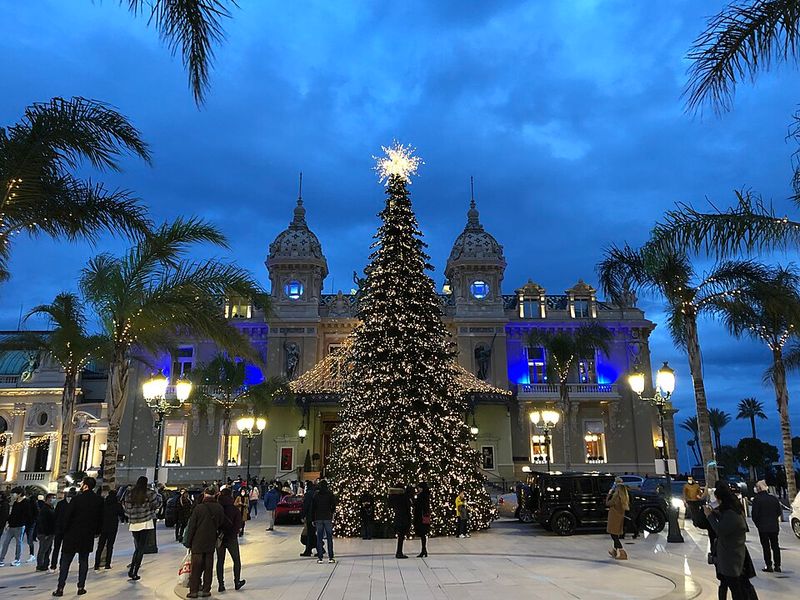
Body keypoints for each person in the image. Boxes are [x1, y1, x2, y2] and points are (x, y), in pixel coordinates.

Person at [703, 481, 759, 600]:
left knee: (736, 588)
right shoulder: (733, 510)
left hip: (731, 557)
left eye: (718, 500)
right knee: (737, 585)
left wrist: (710, 516)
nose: (717, 502)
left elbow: (720, 530)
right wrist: (714, 514)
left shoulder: (731, 514)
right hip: (732, 556)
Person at [52, 476, 103, 597]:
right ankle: (81, 586)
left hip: (72, 534)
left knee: (65, 562)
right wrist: (96, 532)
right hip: (87, 535)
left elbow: (68, 516)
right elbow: (100, 518)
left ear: (85, 486)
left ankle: (60, 588)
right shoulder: (99, 500)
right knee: (83, 561)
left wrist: (64, 530)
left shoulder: (77, 499)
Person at [185, 486, 224, 599]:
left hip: (197, 541)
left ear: (205, 494)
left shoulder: (199, 508)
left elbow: (192, 526)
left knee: (196, 567)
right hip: (211, 540)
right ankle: (206, 590)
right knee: (208, 566)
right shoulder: (219, 508)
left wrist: (188, 542)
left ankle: (194, 590)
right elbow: (221, 523)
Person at [121, 476, 162, 581]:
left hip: (134, 523)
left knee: (137, 547)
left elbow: (126, 508)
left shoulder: (129, 493)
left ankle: (132, 570)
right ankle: (135, 571)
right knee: (141, 548)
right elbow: (157, 504)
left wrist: (131, 515)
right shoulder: (149, 493)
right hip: (145, 521)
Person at [216, 487, 246, 592]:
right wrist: (233, 533)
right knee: (236, 560)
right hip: (231, 538)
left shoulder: (218, 508)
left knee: (220, 561)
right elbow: (238, 524)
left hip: (220, 537)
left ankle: (221, 585)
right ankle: (237, 582)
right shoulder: (234, 509)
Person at [750, 480, 782, 573]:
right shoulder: (773, 498)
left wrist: (758, 524)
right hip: (774, 526)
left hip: (763, 527)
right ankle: (777, 565)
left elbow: (754, 514)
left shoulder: (757, 500)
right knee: (775, 546)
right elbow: (779, 512)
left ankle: (769, 565)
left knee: (766, 547)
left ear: (759, 488)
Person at [0, 486, 30, 566]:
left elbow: (27, 515)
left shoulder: (26, 502)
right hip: (12, 526)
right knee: (6, 543)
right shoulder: (16, 502)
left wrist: (23, 523)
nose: (13, 495)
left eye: (14, 493)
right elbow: (13, 514)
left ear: (19, 494)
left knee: (18, 543)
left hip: (19, 526)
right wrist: (8, 523)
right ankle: (1, 559)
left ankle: (17, 559)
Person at [94, 490, 123, 570]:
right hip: (112, 527)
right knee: (110, 546)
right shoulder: (117, 504)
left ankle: (96, 564)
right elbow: (121, 513)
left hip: (103, 527)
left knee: (100, 546)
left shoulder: (104, 504)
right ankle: (107, 564)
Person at [50, 488, 76, 572]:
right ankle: (54, 565)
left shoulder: (62, 504)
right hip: (63, 530)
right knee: (59, 548)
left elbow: (55, 516)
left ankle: (59, 565)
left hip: (65, 530)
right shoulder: (65, 504)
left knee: (61, 549)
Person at [312, 479, 336, 563]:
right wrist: (331, 512)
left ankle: (320, 557)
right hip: (327, 517)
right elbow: (333, 505)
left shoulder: (316, 495)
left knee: (319, 537)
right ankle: (331, 557)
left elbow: (313, 507)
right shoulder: (330, 494)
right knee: (329, 537)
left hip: (318, 517)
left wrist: (313, 518)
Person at [606, 477, 629, 560]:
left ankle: (622, 552)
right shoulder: (624, 496)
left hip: (614, 517)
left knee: (613, 535)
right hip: (619, 516)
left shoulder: (616, 496)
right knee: (615, 534)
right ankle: (614, 551)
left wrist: (609, 494)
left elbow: (608, 503)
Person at [388, 484, 411, 559]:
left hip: (398, 518)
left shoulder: (394, 497)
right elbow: (408, 505)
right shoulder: (403, 497)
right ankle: (399, 552)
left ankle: (399, 552)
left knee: (400, 536)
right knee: (401, 536)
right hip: (403, 518)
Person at [35, 494, 57, 571]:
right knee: (43, 549)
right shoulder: (45, 509)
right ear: (48, 499)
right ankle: (40, 565)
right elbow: (43, 522)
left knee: (48, 549)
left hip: (50, 532)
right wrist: (46, 533)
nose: (54, 500)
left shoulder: (51, 508)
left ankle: (45, 564)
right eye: (52, 498)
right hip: (45, 533)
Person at [413, 482, 431, 558]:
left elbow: (417, 505)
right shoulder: (426, 496)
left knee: (422, 534)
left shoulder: (421, 496)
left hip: (421, 517)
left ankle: (424, 550)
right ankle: (424, 550)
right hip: (425, 517)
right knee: (423, 534)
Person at [300, 481, 317, 557]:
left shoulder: (308, 494)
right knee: (313, 534)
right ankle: (319, 548)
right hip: (316, 517)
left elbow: (305, 506)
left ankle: (308, 550)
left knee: (310, 534)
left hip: (310, 517)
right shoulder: (315, 493)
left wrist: (302, 515)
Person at [25, 491, 39, 563]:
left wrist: (33, 520)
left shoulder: (32, 502)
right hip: (28, 522)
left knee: (29, 539)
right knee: (29, 539)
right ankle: (31, 554)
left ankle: (32, 554)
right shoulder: (28, 502)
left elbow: (37, 512)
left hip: (30, 523)